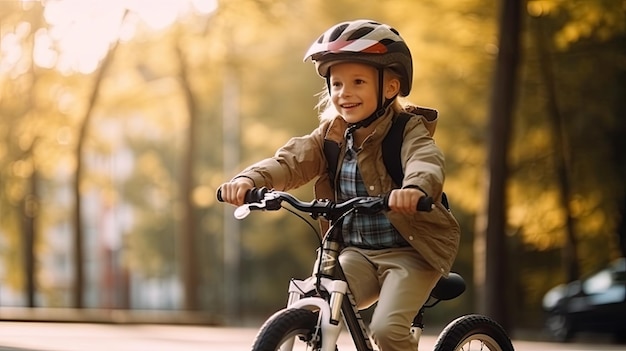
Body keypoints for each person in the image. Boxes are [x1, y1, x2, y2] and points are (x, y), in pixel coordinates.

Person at [218, 19, 460, 351]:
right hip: (356, 254)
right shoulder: (330, 137)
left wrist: (416, 189)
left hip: (410, 253)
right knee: (314, 300)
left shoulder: (407, 130)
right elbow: (290, 160)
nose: (344, 93)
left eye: (358, 81)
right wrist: (248, 179)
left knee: (388, 331)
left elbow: (424, 160)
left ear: (390, 87)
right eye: (337, 84)